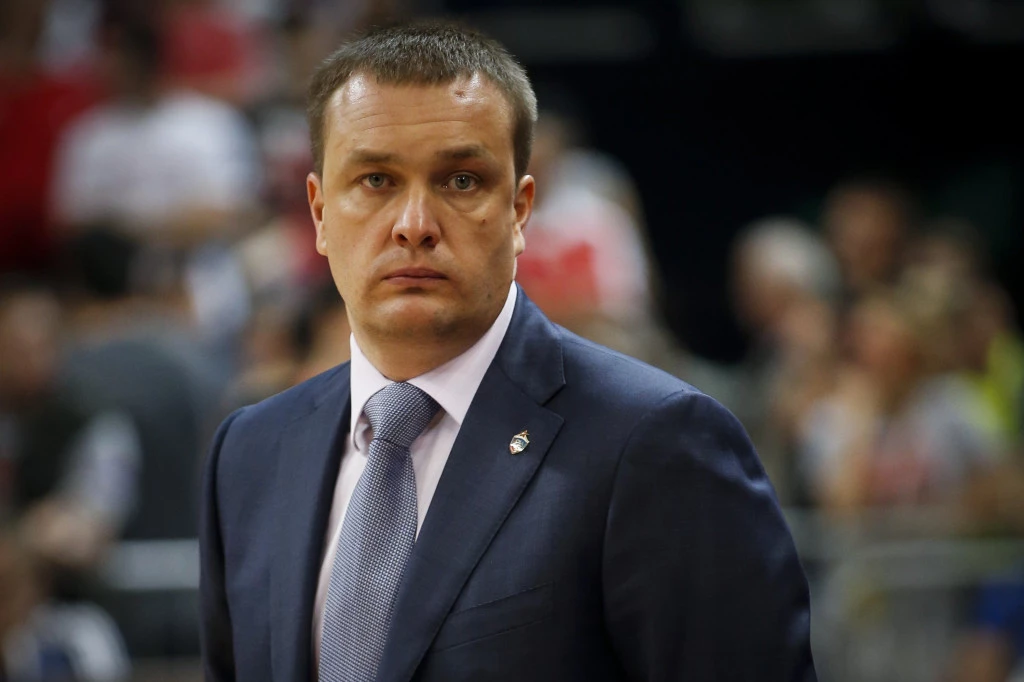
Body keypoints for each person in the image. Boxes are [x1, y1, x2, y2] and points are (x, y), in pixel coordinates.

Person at [199, 20, 816, 682]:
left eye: (461, 181)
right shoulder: (249, 452)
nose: (414, 225)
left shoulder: (658, 441)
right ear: (320, 212)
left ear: (521, 210)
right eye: (376, 180)